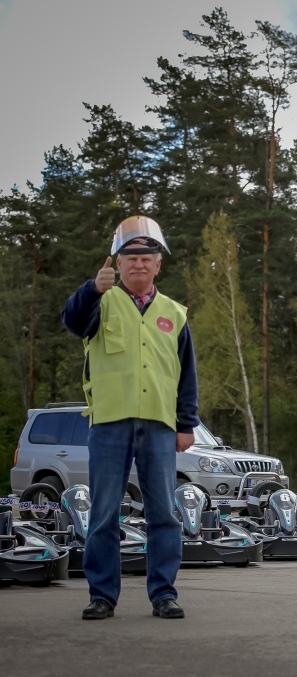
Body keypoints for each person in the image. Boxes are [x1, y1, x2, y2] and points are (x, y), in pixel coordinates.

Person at [62, 216, 199, 619]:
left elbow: (186, 373)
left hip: (158, 426)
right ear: (117, 264)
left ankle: (164, 594)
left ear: (159, 264)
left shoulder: (174, 314)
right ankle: (102, 595)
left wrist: (186, 423)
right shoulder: (98, 302)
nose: (139, 263)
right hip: (109, 423)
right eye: (130, 256)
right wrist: (91, 289)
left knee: (164, 514)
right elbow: (71, 322)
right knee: (104, 512)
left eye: (147, 256)